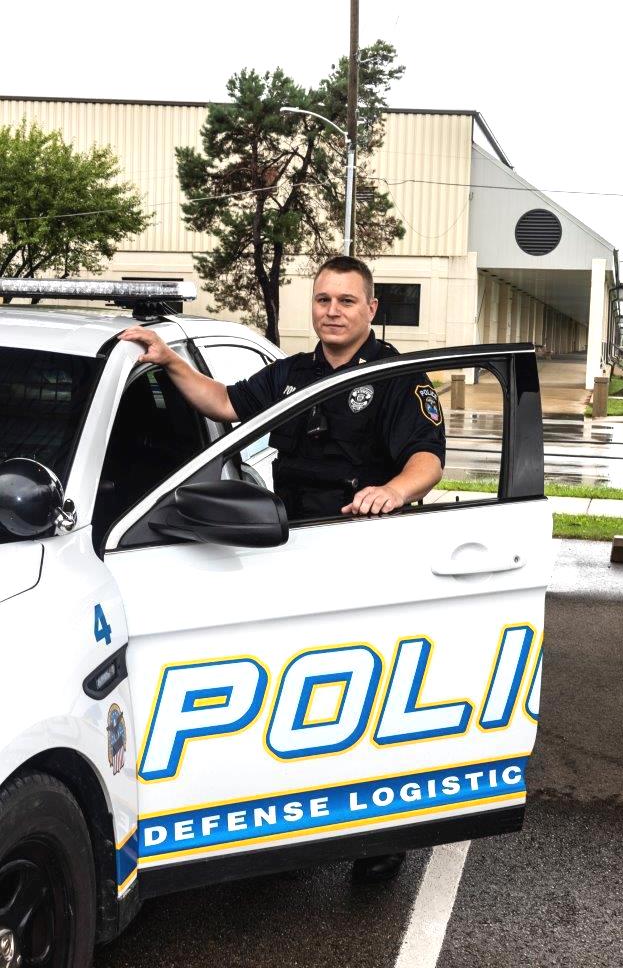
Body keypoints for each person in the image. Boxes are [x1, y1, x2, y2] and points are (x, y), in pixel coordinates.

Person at [119, 254, 446, 881]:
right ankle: (296, 820)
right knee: (306, 693)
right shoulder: (290, 375)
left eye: (346, 301)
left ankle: (380, 835)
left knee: (369, 695)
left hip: (366, 548)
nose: (332, 311)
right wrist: (167, 360)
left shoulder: (401, 378)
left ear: (371, 309)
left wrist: (394, 492)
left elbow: (428, 458)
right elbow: (221, 403)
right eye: (323, 300)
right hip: (291, 548)